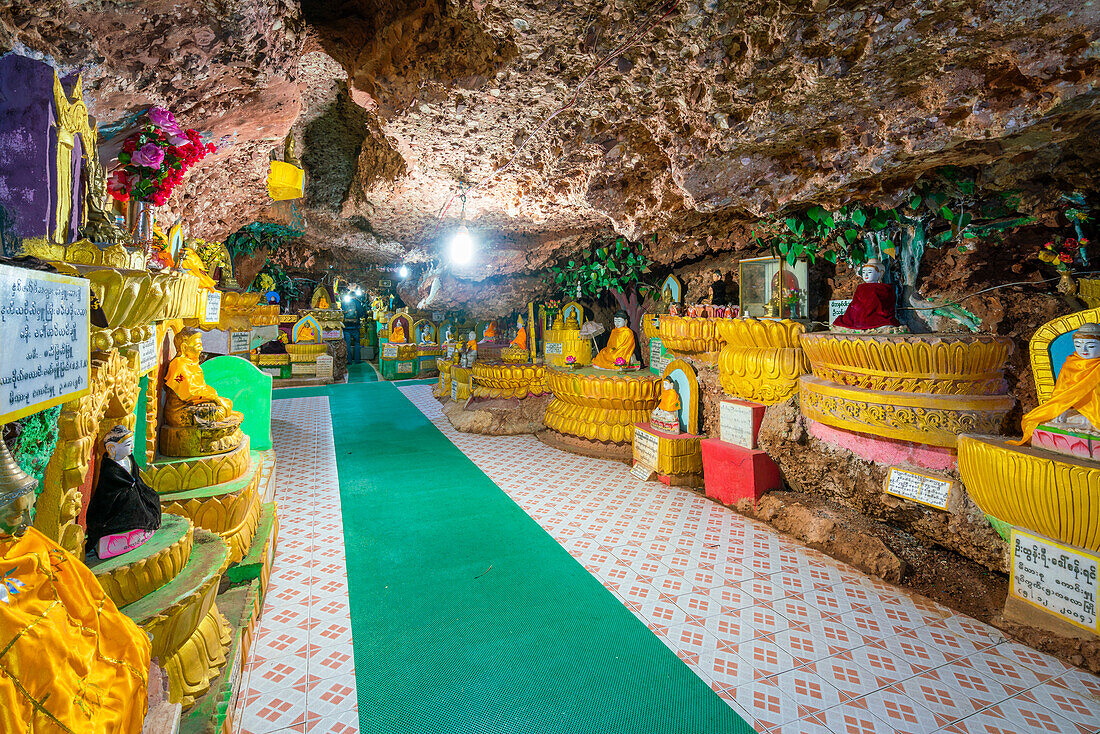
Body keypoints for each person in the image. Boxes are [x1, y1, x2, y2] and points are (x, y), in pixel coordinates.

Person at [1013, 322, 1100, 444]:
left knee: (1091, 421)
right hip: (1075, 411)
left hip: (1096, 411)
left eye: (1090, 346)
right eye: (1078, 345)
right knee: (1042, 420)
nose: (1083, 350)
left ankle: (1086, 424)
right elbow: (1061, 393)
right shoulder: (1070, 365)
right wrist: (1061, 410)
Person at [86, 425, 161, 559]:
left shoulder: (129, 458)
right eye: (128, 444)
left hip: (134, 489)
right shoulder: (110, 467)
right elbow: (110, 488)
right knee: (130, 506)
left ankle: (144, 527)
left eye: (132, 443)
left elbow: (136, 476)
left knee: (152, 497)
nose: (131, 447)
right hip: (117, 498)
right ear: (112, 448)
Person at [832, 258, 901, 330]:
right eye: (864, 272)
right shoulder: (861, 287)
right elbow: (854, 304)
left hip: (877, 317)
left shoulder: (885, 288)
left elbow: (887, 307)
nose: (866, 274)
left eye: (870, 272)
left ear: (880, 273)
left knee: (885, 324)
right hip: (859, 317)